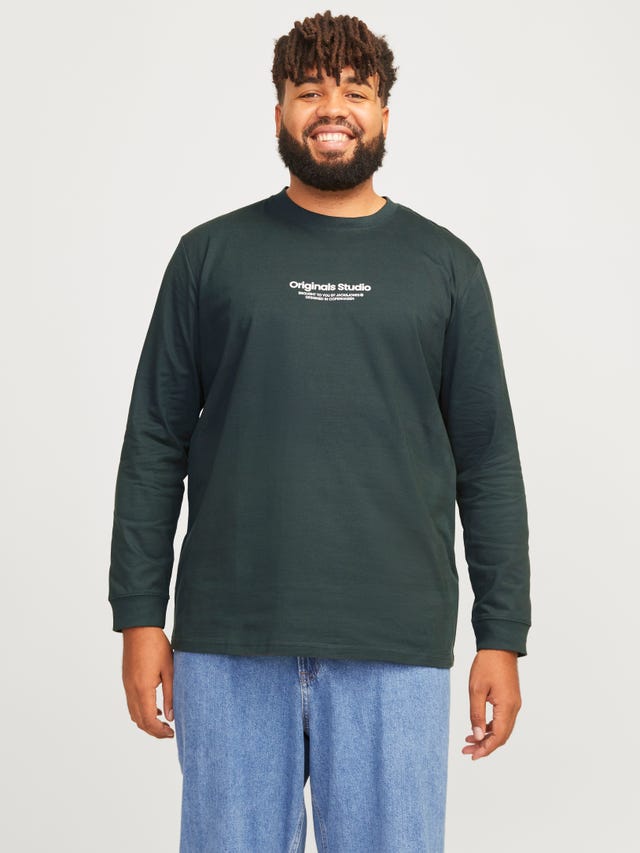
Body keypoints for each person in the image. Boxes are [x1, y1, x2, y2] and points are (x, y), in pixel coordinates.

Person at [108, 10, 531, 852]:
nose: (331, 109)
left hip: (395, 644)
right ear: (278, 114)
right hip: (229, 642)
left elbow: (487, 461)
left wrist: (502, 634)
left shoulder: (447, 268)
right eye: (309, 91)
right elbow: (154, 440)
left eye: (354, 93)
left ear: (384, 115)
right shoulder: (209, 257)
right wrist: (139, 616)